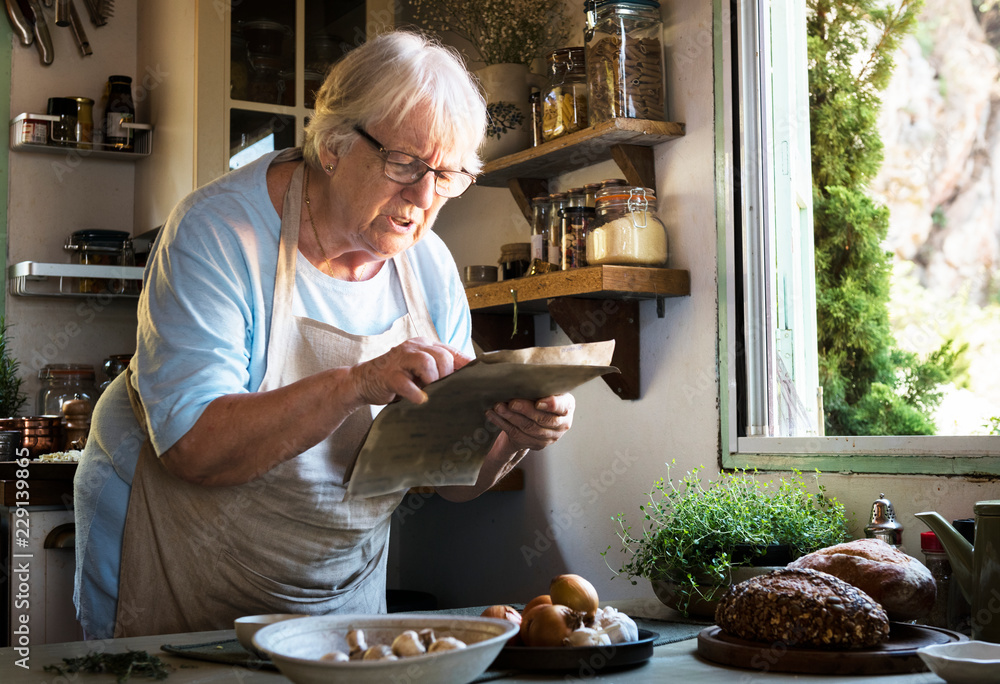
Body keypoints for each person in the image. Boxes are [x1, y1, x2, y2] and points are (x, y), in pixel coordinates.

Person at [73, 30, 575, 639]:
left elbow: (449, 480)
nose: (422, 197)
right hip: (177, 549)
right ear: (335, 145)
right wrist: (354, 384)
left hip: (333, 581)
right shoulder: (219, 233)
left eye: (446, 175)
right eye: (405, 164)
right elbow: (194, 448)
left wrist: (511, 435)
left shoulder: (430, 267)